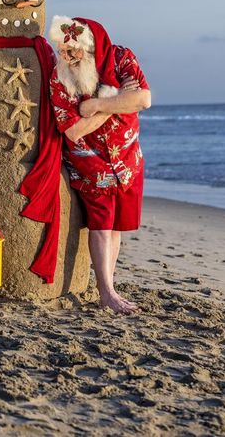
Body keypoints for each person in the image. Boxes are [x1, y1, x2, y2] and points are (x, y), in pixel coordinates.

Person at [48, 16, 151, 314]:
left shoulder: (121, 57)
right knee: (102, 225)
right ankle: (106, 292)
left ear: (89, 47)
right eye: (60, 50)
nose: (65, 57)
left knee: (117, 226)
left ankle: (110, 285)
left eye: (72, 51)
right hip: (90, 162)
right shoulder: (60, 77)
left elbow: (143, 99)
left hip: (128, 158)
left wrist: (97, 104)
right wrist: (118, 99)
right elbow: (72, 130)